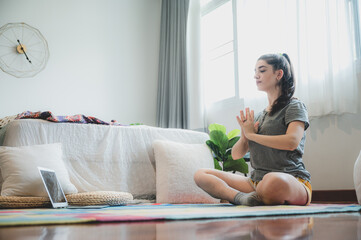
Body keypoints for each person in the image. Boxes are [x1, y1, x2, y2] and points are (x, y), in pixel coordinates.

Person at [194, 53, 311, 206]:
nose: (256, 76)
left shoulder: (294, 106)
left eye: (262, 70)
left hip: (290, 179)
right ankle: (242, 198)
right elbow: (236, 155)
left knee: (271, 180)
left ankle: (258, 195)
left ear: (279, 74)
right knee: (201, 174)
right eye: (255, 71)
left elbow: (292, 142)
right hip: (254, 182)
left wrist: (252, 135)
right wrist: (245, 137)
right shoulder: (257, 117)